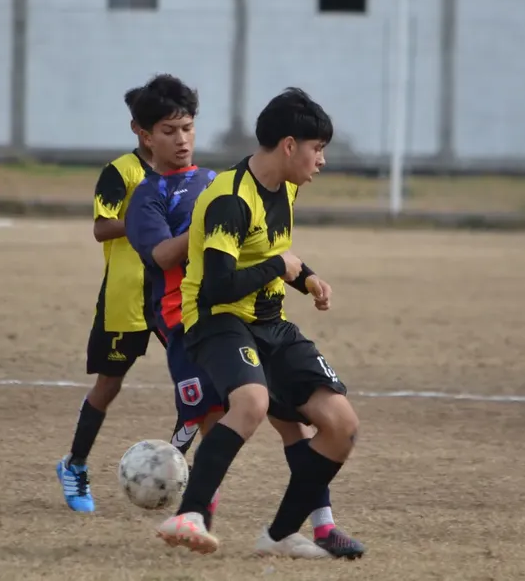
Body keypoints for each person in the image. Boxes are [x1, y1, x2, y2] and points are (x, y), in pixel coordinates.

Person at [125, 77, 364, 559]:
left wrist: (306, 277)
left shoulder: (285, 187)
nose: (322, 160)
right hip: (215, 319)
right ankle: (191, 514)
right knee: (251, 401)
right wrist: (281, 267)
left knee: (341, 425)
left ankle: (278, 536)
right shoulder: (229, 199)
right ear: (290, 145)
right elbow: (217, 285)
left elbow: (271, 249)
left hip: (270, 321)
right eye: (317, 149)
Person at [55, 87, 173, 513]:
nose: (178, 138)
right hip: (126, 296)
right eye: (167, 128)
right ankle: (75, 464)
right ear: (142, 133)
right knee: (110, 384)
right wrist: (144, 222)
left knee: (198, 382)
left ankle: (195, 483)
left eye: (184, 127)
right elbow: (102, 227)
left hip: (174, 293)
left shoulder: (184, 175)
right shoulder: (120, 172)